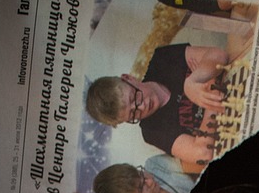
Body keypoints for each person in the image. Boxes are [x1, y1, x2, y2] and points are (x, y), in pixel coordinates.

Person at [85, 43, 228, 170]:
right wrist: (212, 89)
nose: (142, 106)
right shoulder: (151, 131)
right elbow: (203, 153)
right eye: (133, 114)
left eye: (134, 97)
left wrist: (192, 81)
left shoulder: (162, 59)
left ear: (129, 78)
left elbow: (219, 55)